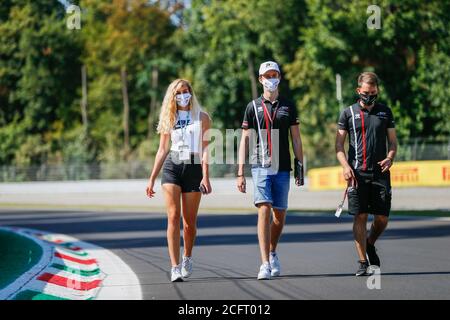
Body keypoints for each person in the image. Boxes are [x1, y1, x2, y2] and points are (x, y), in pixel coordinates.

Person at [237, 61, 304, 280]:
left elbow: (296, 138)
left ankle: (273, 251)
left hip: (283, 166)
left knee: (279, 215)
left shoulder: (288, 105)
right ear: (260, 79)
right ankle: (264, 263)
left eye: (274, 74)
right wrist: (240, 172)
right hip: (260, 165)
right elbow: (244, 140)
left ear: (279, 77)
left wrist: (300, 165)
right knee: (263, 208)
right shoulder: (252, 106)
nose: (271, 78)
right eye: (267, 75)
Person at [146, 79, 212, 282]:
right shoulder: (169, 117)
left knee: (189, 223)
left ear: (191, 93)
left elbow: (205, 149)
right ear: (172, 96)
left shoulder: (202, 117)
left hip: (193, 168)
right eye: (179, 92)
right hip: (172, 166)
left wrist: (206, 176)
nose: (183, 95)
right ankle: (174, 267)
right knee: (173, 216)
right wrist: (152, 178)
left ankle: (187, 257)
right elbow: (162, 149)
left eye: (186, 91)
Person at [335, 72, 397, 276]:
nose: (369, 96)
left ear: (377, 91)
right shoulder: (347, 113)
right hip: (357, 174)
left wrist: (390, 157)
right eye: (365, 92)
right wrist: (345, 166)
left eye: (372, 92)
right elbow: (338, 145)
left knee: (382, 218)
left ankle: (370, 243)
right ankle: (363, 262)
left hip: (380, 173)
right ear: (358, 91)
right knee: (360, 216)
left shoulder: (385, 112)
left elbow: (393, 142)